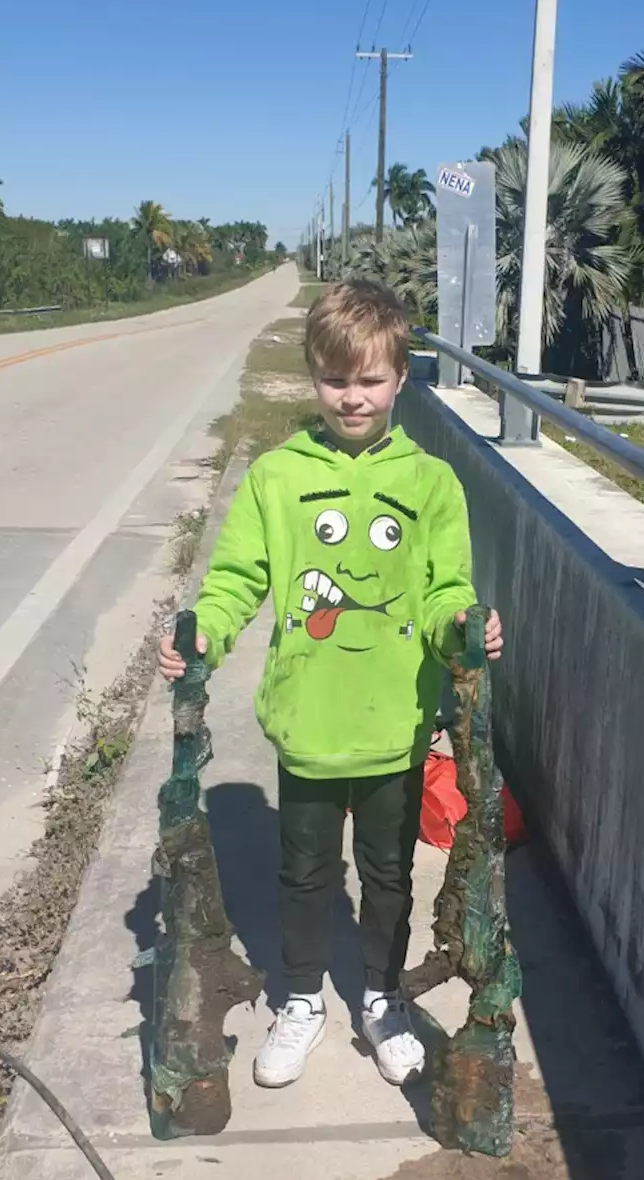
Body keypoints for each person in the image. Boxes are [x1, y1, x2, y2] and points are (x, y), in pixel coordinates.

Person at [158, 279, 502, 1090]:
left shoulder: (431, 485)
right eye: (337, 380)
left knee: (388, 876)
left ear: (401, 378)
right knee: (306, 874)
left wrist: (466, 626)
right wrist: (205, 630)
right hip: (309, 724)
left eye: (371, 380)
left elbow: (448, 588)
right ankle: (303, 998)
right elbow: (238, 578)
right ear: (314, 374)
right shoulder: (278, 478)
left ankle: (383, 997)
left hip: (396, 725)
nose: (353, 398)